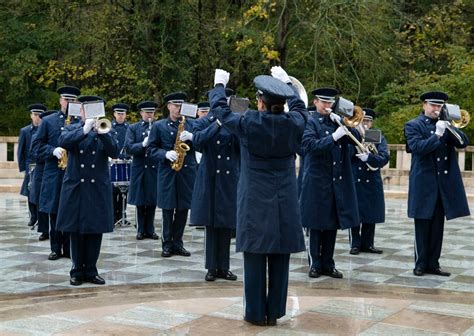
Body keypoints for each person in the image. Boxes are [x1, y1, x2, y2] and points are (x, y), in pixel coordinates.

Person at [208, 67, 307, 326]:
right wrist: (287, 82)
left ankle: (254, 313)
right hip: (284, 197)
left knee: (254, 255)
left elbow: (221, 112)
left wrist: (219, 85)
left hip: (254, 198)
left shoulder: (249, 122)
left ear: (261, 103)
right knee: (280, 256)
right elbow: (299, 107)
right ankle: (274, 312)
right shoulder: (294, 122)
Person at [404, 91, 470, 277]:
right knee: (422, 225)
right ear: (424, 105)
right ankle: (420, 263)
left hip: (442, 185)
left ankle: (433, 263)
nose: (436, 109)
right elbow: (418, 148)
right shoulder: (413, 125)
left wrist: (450, 128)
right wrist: (437, 135)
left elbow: (463, 143)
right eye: (433, 105)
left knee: (437, 226)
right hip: (424, 183)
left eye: (439, 106)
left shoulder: (447, 125)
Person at [56, 95, 119, 286]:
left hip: (97, 187)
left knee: (95, 230)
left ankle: (91, 269)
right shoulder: (72, 128)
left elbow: (115, 151)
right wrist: (84, 130)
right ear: (81, 112)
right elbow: (63, 141)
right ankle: (76, 270)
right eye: (86, 110)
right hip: (77, 187)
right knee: (76, 231)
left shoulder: (106, 129)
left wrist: (101, 133)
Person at [299, 88, 360, 279]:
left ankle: (328, 263)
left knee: (332, 224)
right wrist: (333, 137)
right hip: (317, 180)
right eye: (324, 102)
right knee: (316, 224)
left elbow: (358, 142)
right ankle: (315, 264)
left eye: (330, 103)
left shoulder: (338, 121)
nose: (327, 106)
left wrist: (347, 127)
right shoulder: (310, 122)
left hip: (336, 180)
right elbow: (309, 147)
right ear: (316, 102)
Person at [190, 98, 240, 281]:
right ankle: (211, 267)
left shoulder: (234, 121)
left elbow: (240, 146)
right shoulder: (202, 122)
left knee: (226, 224)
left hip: (228, 178)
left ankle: (224, 267)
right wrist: (217, 124)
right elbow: (197, 142)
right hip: (210, 176)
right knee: (210, 225)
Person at [33, 85, 81, 260]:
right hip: (54, 172)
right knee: (53, 211)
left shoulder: (80, 122)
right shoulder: (49, 121)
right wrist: (52, 150)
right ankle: (55, 247)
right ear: (60, 100)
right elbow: (36, 147)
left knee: (70, 211)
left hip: (74, 174)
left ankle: (69, 248)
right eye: (65, 99)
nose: (68, 103)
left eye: (72, 100)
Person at [147, 92, 197, 257]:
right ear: (168, 106)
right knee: (168, 209)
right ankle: (167, 243)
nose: (178, 109)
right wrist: (165, 154)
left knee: (183, 209)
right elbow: (151, 149)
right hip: (168, 172)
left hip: (186, 172)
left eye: (181, 106)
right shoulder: (159, 126)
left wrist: (193, 138)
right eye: (176, 106)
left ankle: (178, 243)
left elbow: (200, 146)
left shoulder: (190, 125)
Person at [349, 108, 390, 255]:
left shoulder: (374, 135)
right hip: (356, 178)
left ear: (372, 123)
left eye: (368, 121)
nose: (365, 123)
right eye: (363, 120)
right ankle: (355, 243)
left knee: (371, 213)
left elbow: (384, 157)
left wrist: (369, 158)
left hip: (372, 179)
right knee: (355, 213)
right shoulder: (352, 134)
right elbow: (346, 155)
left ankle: (368, 244)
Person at [124, 101, 159, 240]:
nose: (149, 115)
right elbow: (128, 148)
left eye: (151, 112)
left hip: (153, 167)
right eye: (147, 112)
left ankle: (150, 229)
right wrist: (143, 144)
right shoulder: (133, 128)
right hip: (139, 168)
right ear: (141, 113)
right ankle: (140, 229)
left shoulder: (158, 127)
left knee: (152, 199)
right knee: (140, 200)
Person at [18, 104, 47, 227]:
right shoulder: (25, 131)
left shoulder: (46, 129)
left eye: (39, 115)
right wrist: (23, 168)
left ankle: (41, 217)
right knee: (30, 192)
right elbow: (21, 150)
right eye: (35, 115)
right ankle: (33, 215)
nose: (37, 117)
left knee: (41, 191)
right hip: (30, 165)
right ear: (31, 116)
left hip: (42, 164)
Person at [29, 110, 55, 241]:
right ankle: (44, 230)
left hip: (52, 168)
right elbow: (33, 152)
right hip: (41, 168)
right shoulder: (36, 136)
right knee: (41, 201)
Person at [111, 103, 131, 225]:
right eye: (118, 114)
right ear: (114, 114)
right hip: (112, 161)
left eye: (122, 114)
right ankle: (113, 216)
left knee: (124, 190)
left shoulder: (129, 128)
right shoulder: (109, 127)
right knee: (112, 190)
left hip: (125, 160)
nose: (120, 116)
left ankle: (122, 215)